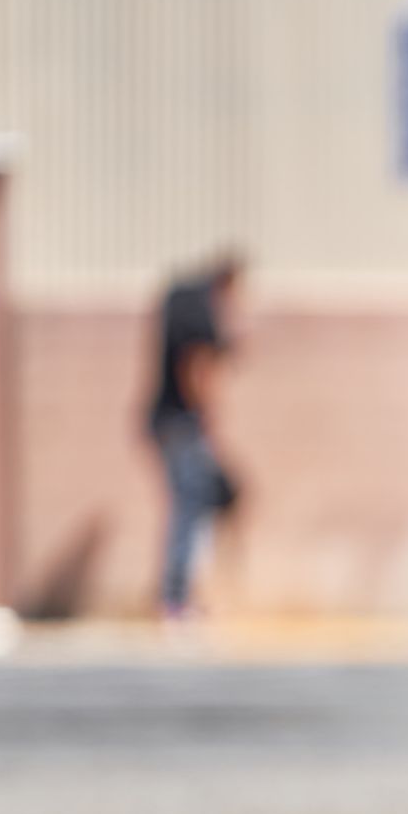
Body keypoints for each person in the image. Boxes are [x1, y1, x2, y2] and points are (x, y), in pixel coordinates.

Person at [145, 251, 243, 618]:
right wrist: (204, 417)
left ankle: (179, 593)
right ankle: (174, 599)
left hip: (171, 421)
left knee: (192, 506)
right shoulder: (200, 309)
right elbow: (196, 365)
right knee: (189, 507)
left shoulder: (186, 303)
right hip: (181, 423)